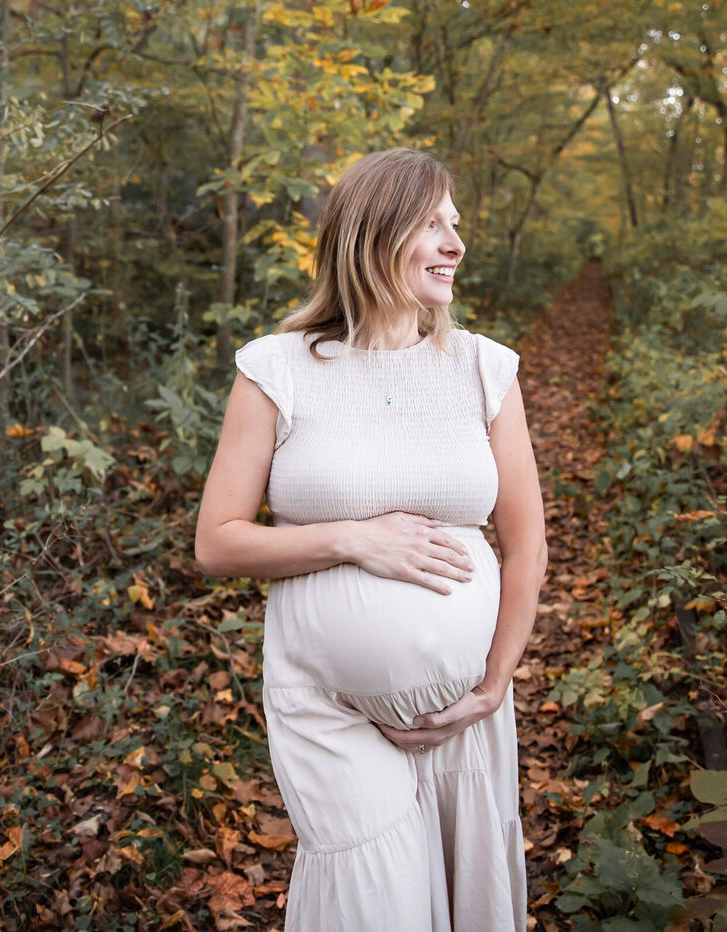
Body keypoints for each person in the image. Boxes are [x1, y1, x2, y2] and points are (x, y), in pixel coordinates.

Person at [192, 147, 547, 931]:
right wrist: (354, 539)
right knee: (375, 905)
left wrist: (492, 686)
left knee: (465, 899)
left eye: (456, 224)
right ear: (372, 234)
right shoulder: (275, 370)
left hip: (463, 714)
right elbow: (216, 544)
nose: (456, 243)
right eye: (432, 223)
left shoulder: (485, 370)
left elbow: (526, 547)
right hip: (327, 710)